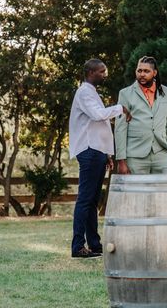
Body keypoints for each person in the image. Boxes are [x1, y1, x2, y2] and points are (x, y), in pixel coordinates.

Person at [69, 59, 130, 258]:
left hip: (97, 152)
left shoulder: (92, 92)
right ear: (90, 72)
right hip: (89, 151)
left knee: (93, 200)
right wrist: (120, 108)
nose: (105, 74)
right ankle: (78, 246)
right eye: (102, 71)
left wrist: (107, 154)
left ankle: (94, 244)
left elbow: (99, 128)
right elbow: (98, 116)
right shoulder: (84, 92)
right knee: (85, 199)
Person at [115, 56, 167, 174]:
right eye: (139, 71)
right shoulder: (125, 94)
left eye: (146, 71)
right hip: (135, 156)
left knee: (164, 191)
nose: (142, 74)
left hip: (162, 154)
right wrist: (121, 161)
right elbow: (120, 128)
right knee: (135, 192)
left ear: (154, 73)